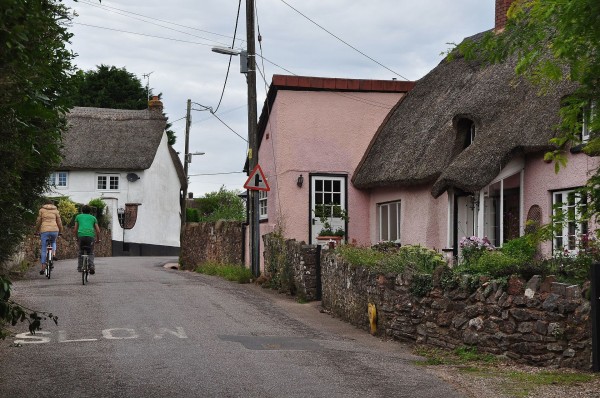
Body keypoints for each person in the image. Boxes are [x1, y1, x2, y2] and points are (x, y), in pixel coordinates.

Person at [35, 199, 63, 275]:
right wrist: (60, 231)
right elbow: (59, 222)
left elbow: (38, 221)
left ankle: (43, 267)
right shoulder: (56, 210)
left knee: (44, 248)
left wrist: (36, 230)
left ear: (44, 204)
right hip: (54, 230)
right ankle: (53, 255)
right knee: (53, 241)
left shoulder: (41, 210)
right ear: (52, 204)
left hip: (44, 230)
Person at [74, 205, 100, 274]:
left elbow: (75, 229)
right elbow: (98, 231)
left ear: (82, 210)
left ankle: (80, 267)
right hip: (90, 237)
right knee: (90, 252)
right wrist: (98, 239)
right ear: (90, 211)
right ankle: (91, 266)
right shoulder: (93, 218)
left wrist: (77, 238)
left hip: (81, 236)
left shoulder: (78, 217)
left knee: (80, 252)